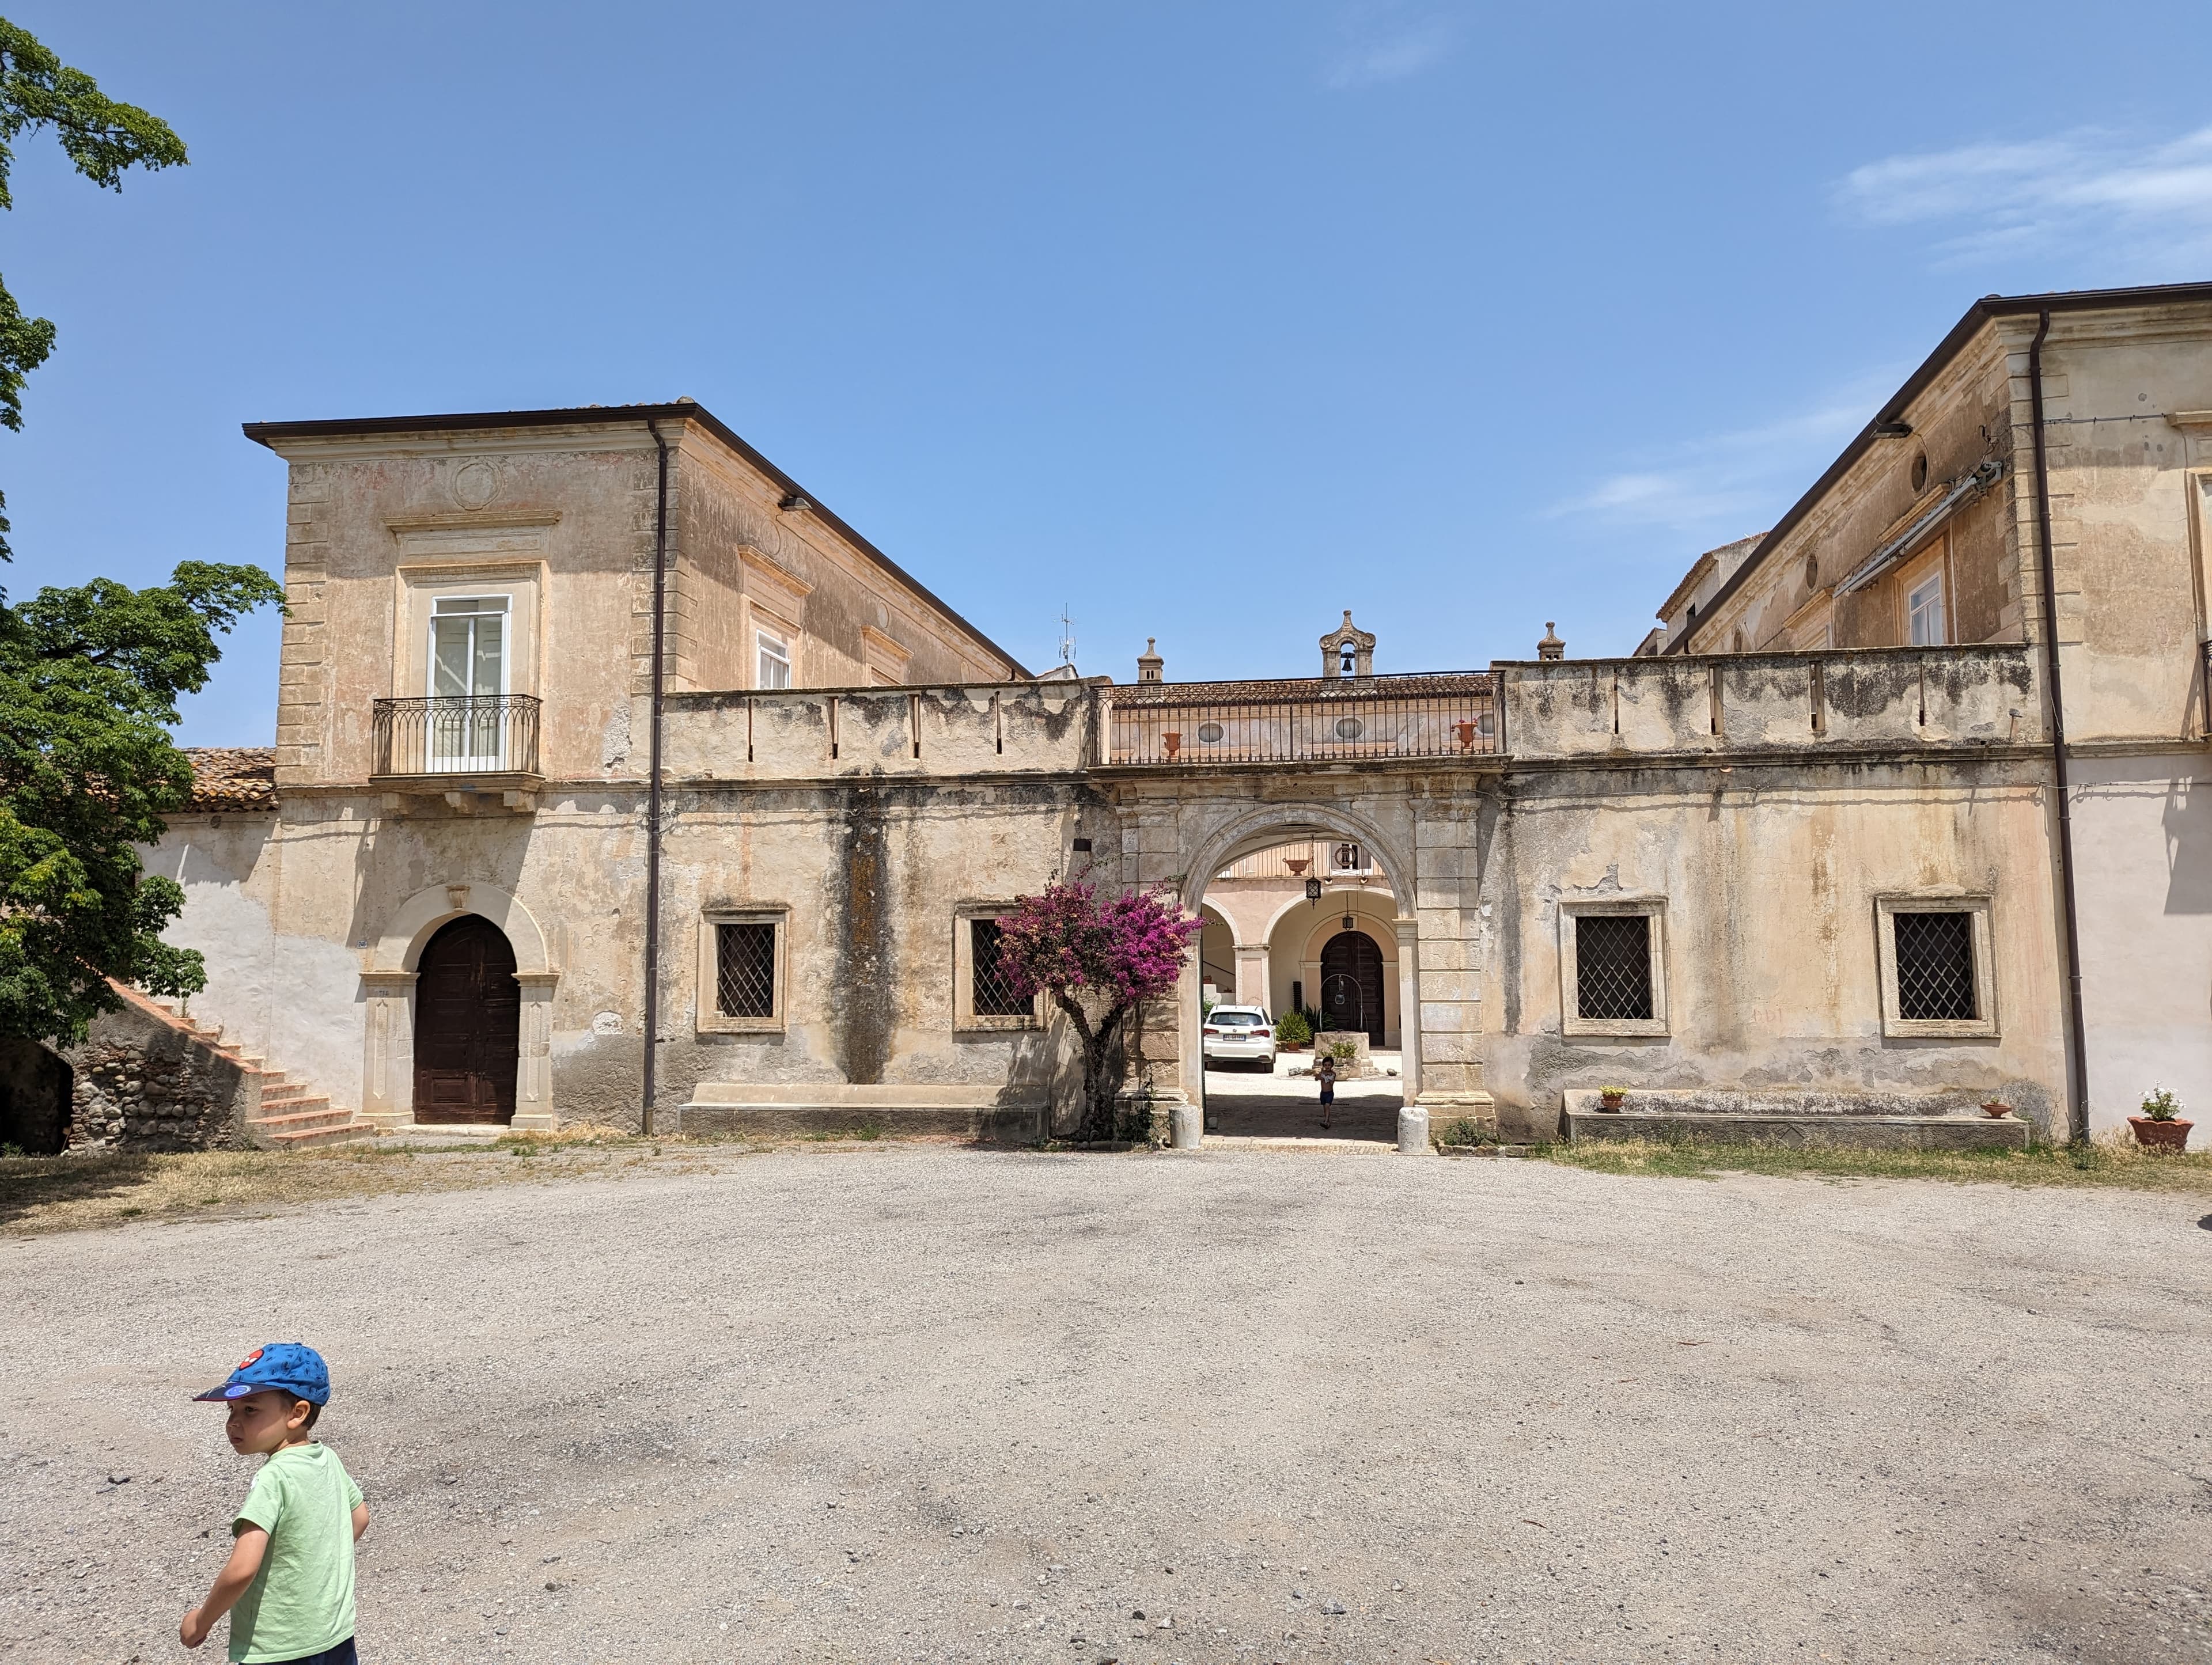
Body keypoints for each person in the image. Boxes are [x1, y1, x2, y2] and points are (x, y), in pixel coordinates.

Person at [181, 1344, 368, 1665]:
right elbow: (360, 1517)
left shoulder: (274, 1477)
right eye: (232, 1411)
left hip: (277, 1649)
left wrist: (202, 1620)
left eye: (250, 1410)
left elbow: (242, 1569)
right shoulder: (327, 1459)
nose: (234, 1423)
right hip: (334, 1634)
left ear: (298, 1414)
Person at [1315, 1050, 1336, 1129]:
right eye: (1326, 1065)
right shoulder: (1322, 1073)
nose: (1327, 1067)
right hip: (1323, 1093)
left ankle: (1326, 1121)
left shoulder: (1333, 1074)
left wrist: (1328, 1078)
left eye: (1329, 1065)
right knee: (1325, 1107)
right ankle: (1327, 1120)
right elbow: (1316, 1079)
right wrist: (1319, 1076)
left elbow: (1331, 1083)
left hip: (1329, 1093)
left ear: (1332, 1066)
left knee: (1327, 1106)